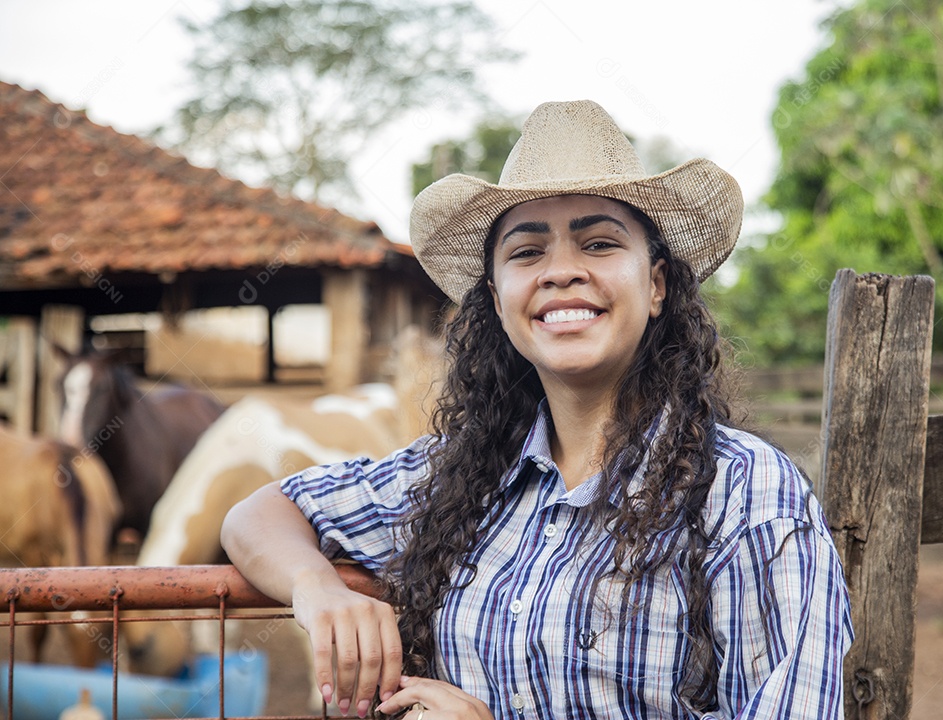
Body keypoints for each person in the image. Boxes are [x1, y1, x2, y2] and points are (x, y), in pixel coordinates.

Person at [221, 99, 853, 719]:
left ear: (656, 284)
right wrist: (318, 588)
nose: (561, 272)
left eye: (600, 244)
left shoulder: (746, 492)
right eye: (528, 252)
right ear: (498, 302)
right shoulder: (459, 479)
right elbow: (261, 513)